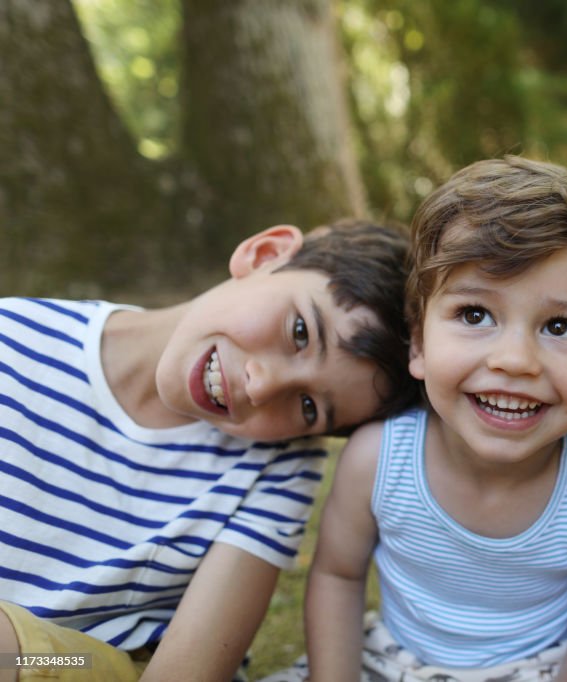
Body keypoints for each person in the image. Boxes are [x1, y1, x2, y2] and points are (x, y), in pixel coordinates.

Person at [0, 219, 418, 682]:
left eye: (307, 406)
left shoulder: (276, 464)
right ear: (264, 255)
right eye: (300, 331)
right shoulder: (14, 340)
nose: (262, 385)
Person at [304, 156, 567, 681]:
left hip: (545, 668)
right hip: (393, 661)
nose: (514, 360)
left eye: (559, 325)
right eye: (474, 315)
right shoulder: (376, 460)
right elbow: (336, 575)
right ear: (418, 343)